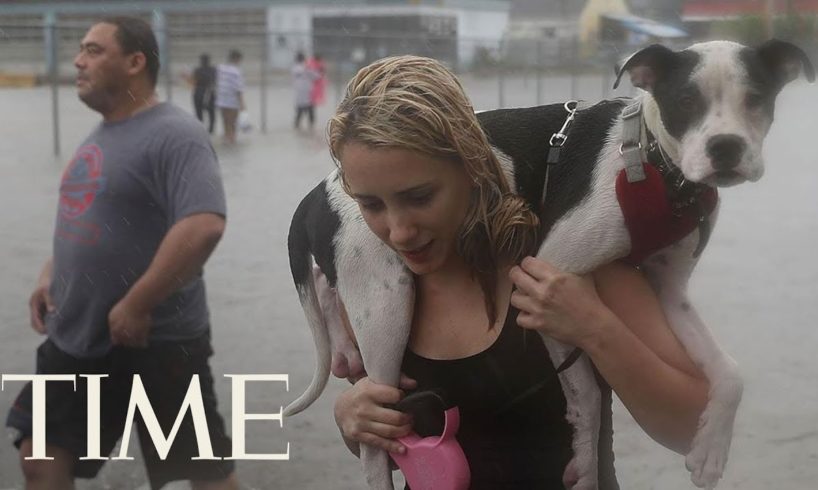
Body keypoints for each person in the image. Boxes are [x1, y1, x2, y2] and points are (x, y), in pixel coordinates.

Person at [328, 56, 710, 488]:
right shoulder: (375, 290)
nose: (399, 231)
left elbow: (693, 429)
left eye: (419, 197)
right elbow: (404, 448)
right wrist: (353, 417)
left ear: (472, 165)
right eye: (371, 205)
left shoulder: (574, 263)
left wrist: (594, 327)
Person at [5, 17, 238, 490]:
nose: (77, 60)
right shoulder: (99, 136)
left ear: (135, 62)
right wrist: (50, 276)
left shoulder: (176, 133)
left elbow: (203, 224)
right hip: (75, 334)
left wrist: (138, 303)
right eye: (80, 50)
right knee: (39, 458)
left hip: (155, 340)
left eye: (93, 50)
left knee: (200, 476)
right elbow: (88, 219)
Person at [215, 49, 245, 144]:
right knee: (233, 120)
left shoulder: (221, 68)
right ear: (237, 59)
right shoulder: (236, 71)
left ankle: (226, 135)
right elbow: (238, 88)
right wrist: (242, 103)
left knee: (225, 119)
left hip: (221, 98)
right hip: (232, 99)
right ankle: (232, 137)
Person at [292, 52, 319, 130]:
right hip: (303, 91)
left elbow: (316, 76)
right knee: (303, 109)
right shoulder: (300, 68)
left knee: (307, 109)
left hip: (307, 92)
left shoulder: (303, 67)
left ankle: (309, 125)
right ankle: (301, 125)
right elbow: (315, 75)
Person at [192, 53, 216, 134]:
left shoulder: (197, 70)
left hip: (199, 92)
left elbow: (194, 81)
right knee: (211, 112)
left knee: (199, 112)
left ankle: (201, 127)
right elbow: (214, 81)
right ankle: (211, 129)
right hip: (209, 92)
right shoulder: (213, 70)